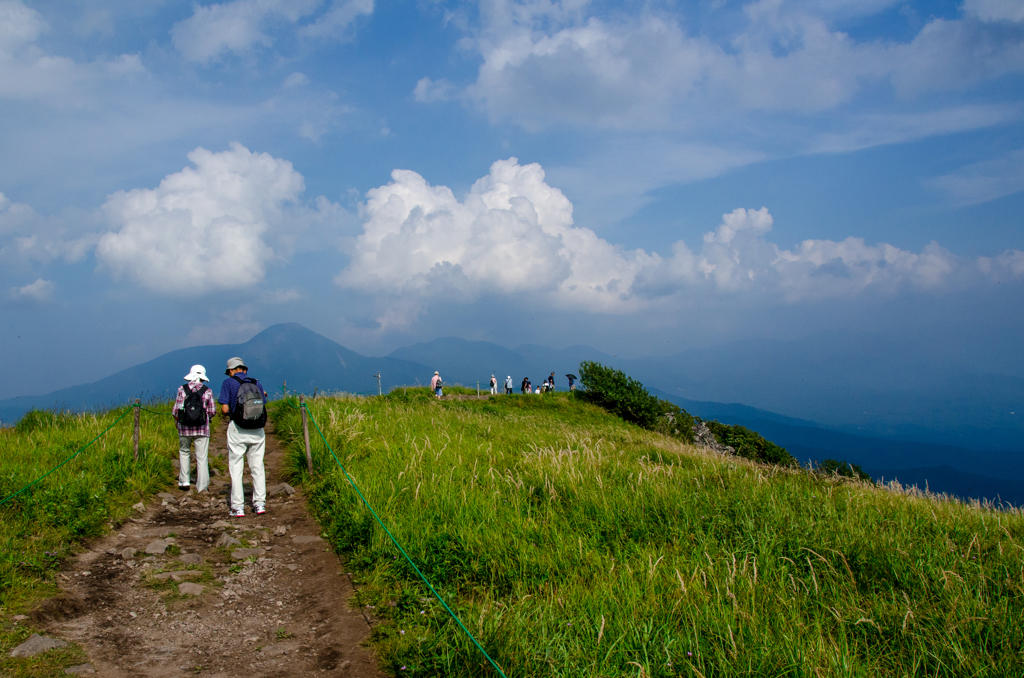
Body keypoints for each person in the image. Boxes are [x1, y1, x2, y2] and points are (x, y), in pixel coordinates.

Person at [218, 357, 268, 518]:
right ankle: (259, 504)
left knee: (236, 467)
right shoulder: (256, 383)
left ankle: (238, 507)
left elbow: (225, 409)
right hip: (257, 429)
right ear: (244, 369)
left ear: (231, 371)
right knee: (257, 467)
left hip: (238, 428)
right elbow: (263, 403)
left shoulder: (228, 383)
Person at [172, 365, 216, 493]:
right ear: (203, 377)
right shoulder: (207, 391)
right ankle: (202, 486)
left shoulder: (182, 389)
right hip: (202, 429)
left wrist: (178, 421)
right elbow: (212, 411)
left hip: (184, 428)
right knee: (201, 457)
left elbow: (176, 410)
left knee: (184, 452)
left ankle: (184, 480)